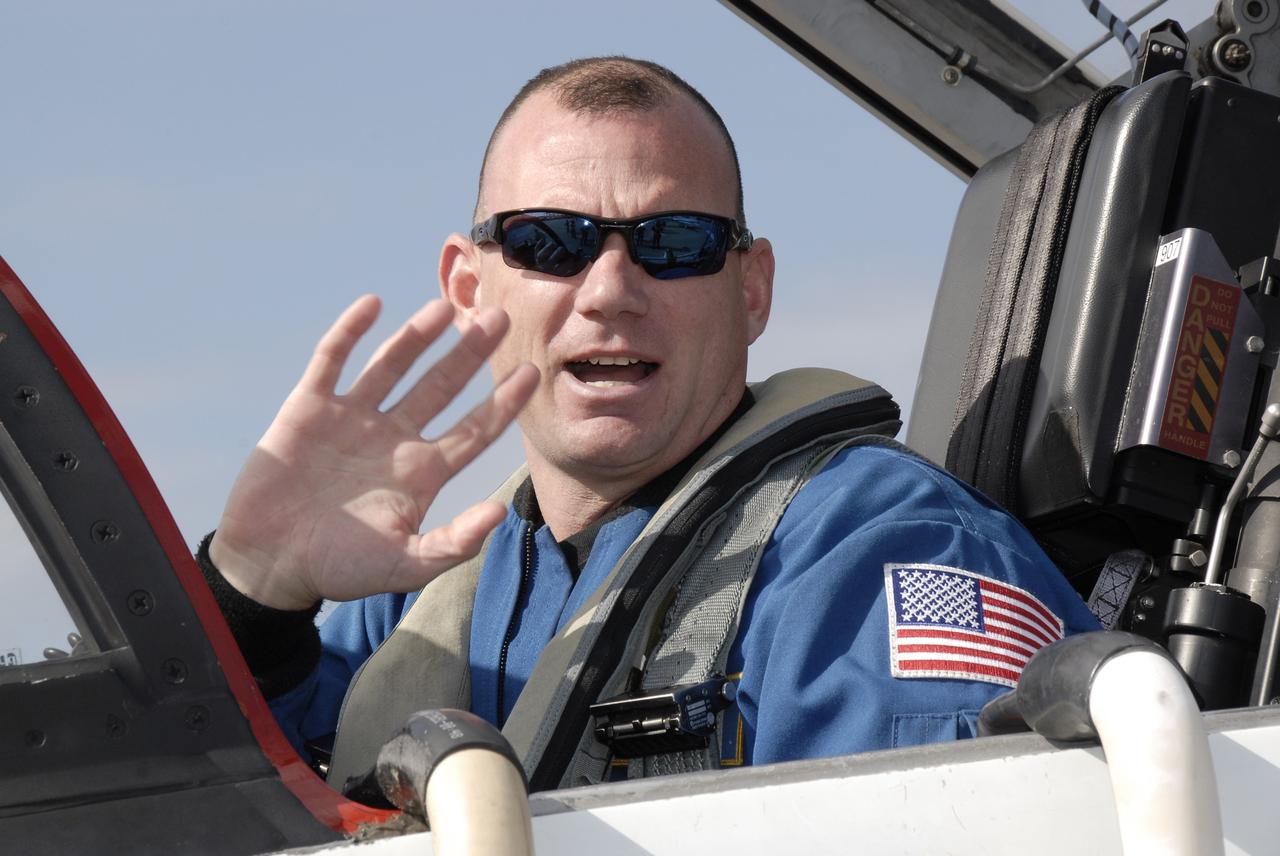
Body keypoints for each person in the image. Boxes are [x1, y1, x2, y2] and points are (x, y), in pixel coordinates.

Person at [198, 56, 1099, 793]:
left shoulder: (883, 556)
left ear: (750, 290)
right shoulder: (421, 590)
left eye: (675, 243)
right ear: (470, 287)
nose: (611, 292)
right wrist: (256, 593)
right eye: (549, 242)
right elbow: (198, 790)